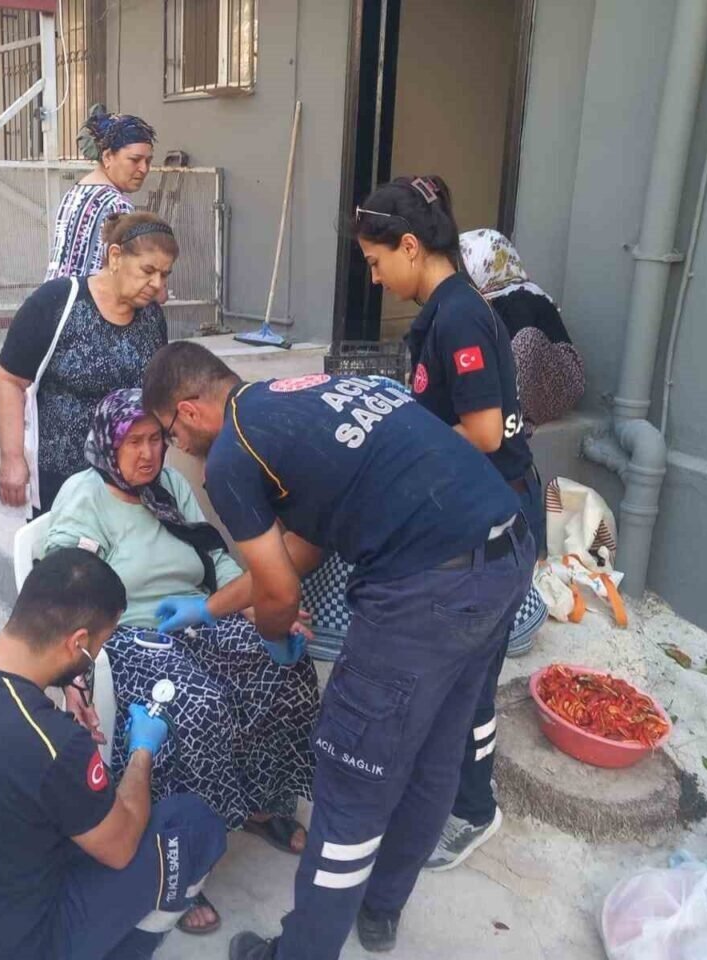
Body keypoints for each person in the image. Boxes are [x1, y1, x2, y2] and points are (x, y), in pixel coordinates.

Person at [141, 342, 535, 959]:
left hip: (425, 592)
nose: (175, 448)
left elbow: (280, 589)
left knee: (352, 781)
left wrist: (273, 638)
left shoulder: (231, 457)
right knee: (437, 751)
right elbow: (301, 549)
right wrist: (210, 608)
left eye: (168, 433)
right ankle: (380, 911)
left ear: (188, 411)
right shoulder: (308, 397)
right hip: (506, 555)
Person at [42, 388, 320, 935]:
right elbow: (66, 584)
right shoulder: (85, 494)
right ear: (109, 443)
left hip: (196, 616)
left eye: (156, 439)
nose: (148, 453)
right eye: (134, 442)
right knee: (196, 703)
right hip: (130, 633)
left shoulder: (170, 485)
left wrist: (256, 605)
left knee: (281, 665)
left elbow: (213, 556)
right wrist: (74, 668)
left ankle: (261, 801)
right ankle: (181, 856)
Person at [0, 548, 227, 960]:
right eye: (97, 647)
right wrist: (142, 751)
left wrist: (66, 681)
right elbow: (121, 847)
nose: (91, 660)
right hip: (17, 949)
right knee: (192, 823)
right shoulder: (51, 741)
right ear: (77, 642)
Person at [355, 175, 543, 875]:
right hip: (475, 515)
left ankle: (472, 809)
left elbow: (485, 433)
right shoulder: (445, 310)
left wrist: (402, 449)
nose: (374, 278)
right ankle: (446, 790)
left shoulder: (459, 314)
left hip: (494, 522)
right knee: (456, 670)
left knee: (471, 677)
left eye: (376, 261)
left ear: (410, 245)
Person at [0, 212, 174, 515]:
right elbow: (8, 380)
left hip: (130, 487)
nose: (157, 284)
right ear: (115, 256)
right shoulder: (57, 302)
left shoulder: (152, 318)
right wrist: (12, 458)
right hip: (61, 486)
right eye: (148, 270)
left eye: (165, 275)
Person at [460, 227, 586, 426]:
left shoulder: (518, 299)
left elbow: (512, 359)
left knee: (524, 341)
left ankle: (515, 416)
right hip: (532, 384)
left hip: (558, 385)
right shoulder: (487, 301)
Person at [47, 105, 156, 280]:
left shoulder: (74, 193)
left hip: (56, 294)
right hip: (89, 296)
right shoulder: (117, 204)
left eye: (148, 161)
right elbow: (121, 275)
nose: (143, 168)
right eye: (135, 160)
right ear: (107, 157)